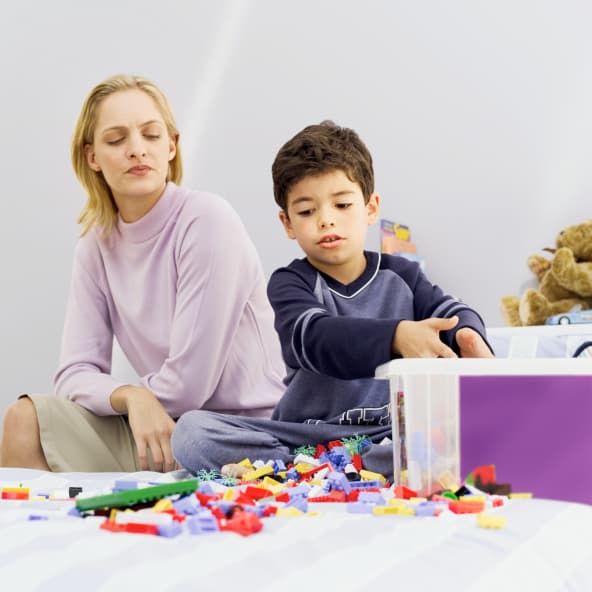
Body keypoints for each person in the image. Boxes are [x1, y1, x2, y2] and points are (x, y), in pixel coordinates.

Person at [171, 120, 494, 481]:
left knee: (467, 425)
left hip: (387, 434)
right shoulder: (290, 283)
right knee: (191, 432)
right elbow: (316, 339)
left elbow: (449, 311)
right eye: (306, 211)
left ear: (370, 208)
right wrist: (396, 337)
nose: (326, 220)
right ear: (287, 223)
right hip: (306, 437)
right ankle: (314, 467)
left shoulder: (403, 275)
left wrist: (467, 334)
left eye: (341, 204)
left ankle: (350, 467)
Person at [0, 74, 285, 473]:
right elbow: (74, 374)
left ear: (171, 146)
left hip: (242, 434)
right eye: (116, 139)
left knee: (190, 430)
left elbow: (189, 385)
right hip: (165, 424)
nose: (137, 149)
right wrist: (131, 396)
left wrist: (139, 399)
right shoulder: (96, 247)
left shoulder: (207, 220)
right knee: (23, 421)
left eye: (151, 135)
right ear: (92, 157)